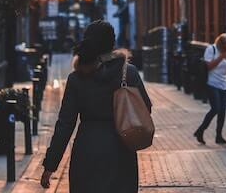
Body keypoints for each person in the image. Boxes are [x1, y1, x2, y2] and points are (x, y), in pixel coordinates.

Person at [40, 20, 152, 193]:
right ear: (112, 43)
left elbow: (65, 124)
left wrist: (51, 164)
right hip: (121, 151)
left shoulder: (77, 78)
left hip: (87, 151)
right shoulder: (128, 72)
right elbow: (145, 108)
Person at [194, 33, 226, 145]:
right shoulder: (211, 49)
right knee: (215, 108)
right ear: (220, 45)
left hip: (224, 84)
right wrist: (221, 56)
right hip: (212, 84)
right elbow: (209, 66)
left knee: (222, 111)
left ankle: (219, 136)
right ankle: (200, 130)